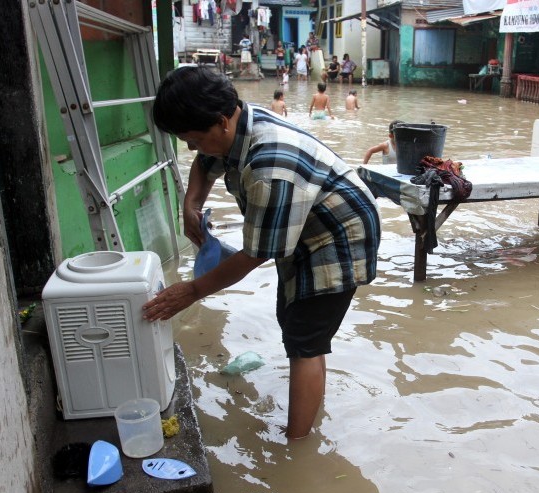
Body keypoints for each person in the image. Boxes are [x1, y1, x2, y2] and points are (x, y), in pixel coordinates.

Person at [144, 66, 381, 439]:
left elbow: (256, 254)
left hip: (339, 235)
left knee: (305, 339)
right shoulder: (235, 124)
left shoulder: (269, 164)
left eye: (192, 139)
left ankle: (297, 446)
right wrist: (190, 204)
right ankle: (309, 407)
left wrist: (190, 291)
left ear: (221, 121)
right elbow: (205, 164)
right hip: (302, 226)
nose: (192, 148)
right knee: (293, 322)